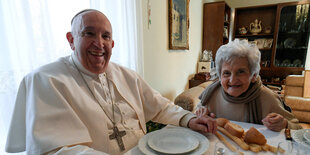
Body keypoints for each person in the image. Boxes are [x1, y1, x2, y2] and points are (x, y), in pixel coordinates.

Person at [5, 9, 216, 155]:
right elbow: (57, 150)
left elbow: (160, 106)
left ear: (112, 43)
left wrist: (188, 119)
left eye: (105, 36)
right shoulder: (45, 80)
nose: (99, 43)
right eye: (89, 33)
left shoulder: (127, 75)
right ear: (71, 40)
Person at [196, 39, 302, 132]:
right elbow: (197, 114)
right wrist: (201, 116)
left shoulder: (267, 98)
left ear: (253, 75)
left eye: (241, 72)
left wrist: (284, 124)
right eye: (226, 73)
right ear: (220, 75)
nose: (233, 80)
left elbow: (297, 128)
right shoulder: (211, 93)